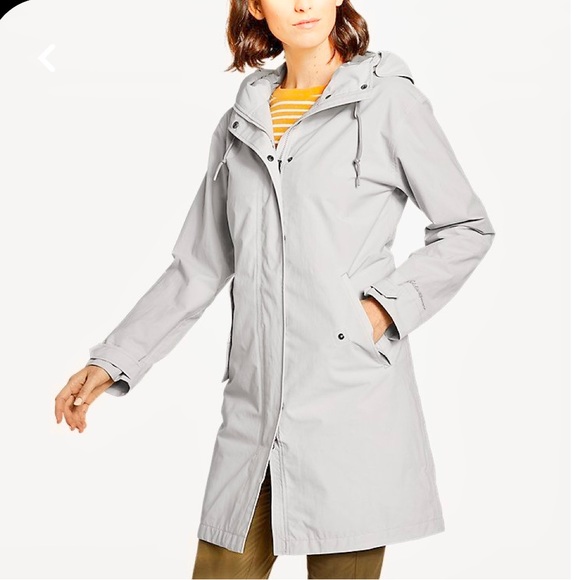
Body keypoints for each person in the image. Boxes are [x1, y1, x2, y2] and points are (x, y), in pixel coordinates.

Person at [54, 1, 496, 578]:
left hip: (349, 401)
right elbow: (200, 264)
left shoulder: (387, 102)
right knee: (220, 568)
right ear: (257, 7)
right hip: (255, 408)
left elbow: (467, 227)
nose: (302, 4)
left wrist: (381, 310)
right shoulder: (241, 122)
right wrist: (115, 358)